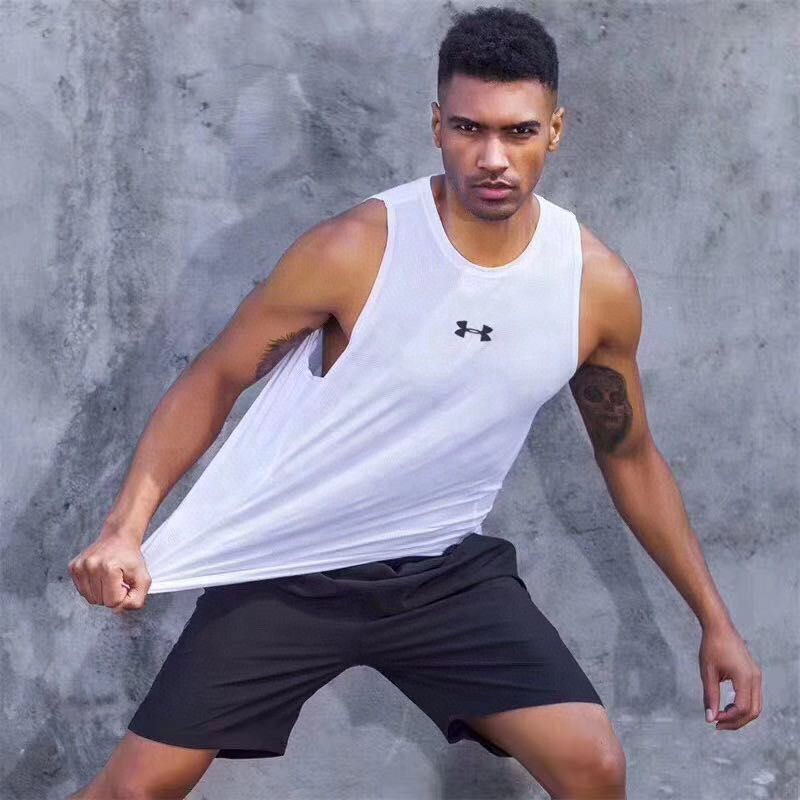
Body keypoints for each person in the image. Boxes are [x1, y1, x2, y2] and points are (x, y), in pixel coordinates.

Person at [67, 6, 762, 799]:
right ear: (437, 126)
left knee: (594, 765)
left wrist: (715, 621)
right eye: (469, 129)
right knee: (133, 792)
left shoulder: (593, 287)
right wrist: (124, 530)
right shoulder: (357, 249)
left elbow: (629, 456)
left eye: (519, 132)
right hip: (292, 564)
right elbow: (215, 379)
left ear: (555, 131)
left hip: (441, 573)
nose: (493, 158)